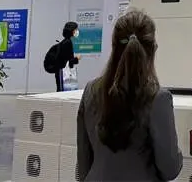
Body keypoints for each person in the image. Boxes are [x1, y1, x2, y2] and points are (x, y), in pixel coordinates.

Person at [76, 9, 182, 182]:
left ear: (114, 47)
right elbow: (170, 169)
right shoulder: (158, 99)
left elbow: (83, 163)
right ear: (153, 49)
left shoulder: (91, 91)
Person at [46, 21, 81, 92]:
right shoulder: (68, 43)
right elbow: (66, 61)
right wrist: (77, 58)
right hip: (63, 73)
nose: (77, 31)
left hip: (60, 72)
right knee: (63, 92)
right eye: (76, 29)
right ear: (71, 30)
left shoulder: (65, 42)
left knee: (61, 91)